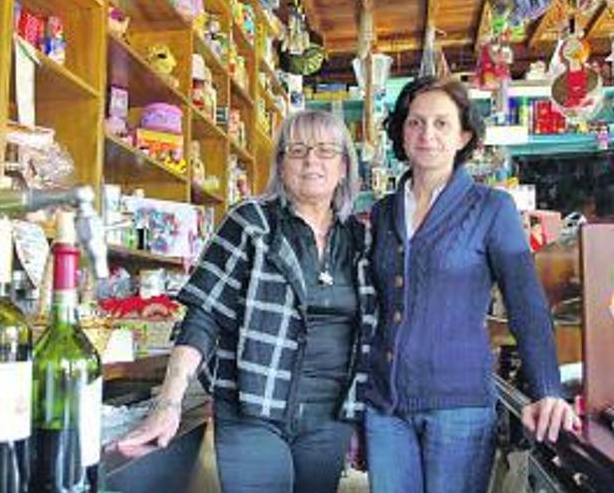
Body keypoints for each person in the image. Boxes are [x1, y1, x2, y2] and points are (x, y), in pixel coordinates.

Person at [117, 110, 377, 493]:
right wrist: (168, 404)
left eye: (325, 150)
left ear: (343, 167)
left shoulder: (361, 240)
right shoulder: (251, 222)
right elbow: (203, 315)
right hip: (251, 408)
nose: (311, 161)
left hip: (329, 416)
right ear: (280, 165)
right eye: (298, 150)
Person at [365, 76, 580, 493]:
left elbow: (525, 302)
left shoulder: (491, 207)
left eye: (442, 124)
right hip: (385, 407)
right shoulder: (383, 211)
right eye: (415, 122)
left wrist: (547, 389)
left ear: (464, 135)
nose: (427, 134)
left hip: (459, 406)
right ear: (401, 133)